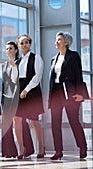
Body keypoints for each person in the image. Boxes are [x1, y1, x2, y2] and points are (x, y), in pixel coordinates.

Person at [48, 31, 88, 160]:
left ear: (66, 42)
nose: (56, 42)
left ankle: (82, 147)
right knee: (55, 123)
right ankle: (58, 151)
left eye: (59, 39)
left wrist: (81, 94)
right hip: (56, 93)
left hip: (70, 93)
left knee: (74, 121)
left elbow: (78, 76)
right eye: (56, 39)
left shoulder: (73, 56)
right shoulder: (53, 59)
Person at [14, 34, 45, 159]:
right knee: (16, 119)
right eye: (21, 43)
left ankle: (41, 148)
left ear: (30, 44)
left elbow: (37, 77)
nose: (24, 45)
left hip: (32, 91)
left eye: (26, 42)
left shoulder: (36, 57)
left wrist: (26, 90)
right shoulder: (17, 61)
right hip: (19, 91)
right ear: (18, 46)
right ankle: (21, 149)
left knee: (34, 121)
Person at [0, 41, 19, 158]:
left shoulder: (19, 63)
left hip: (15, 98)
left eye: (11, 48)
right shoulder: (4, 64)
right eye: (7, 49)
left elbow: (15, 79)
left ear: (16, 50)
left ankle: (19, 150)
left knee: (18, 124)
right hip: (6, 98)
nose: (8, 51)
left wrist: (13, 65)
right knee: (5, 125)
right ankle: (8, 151)